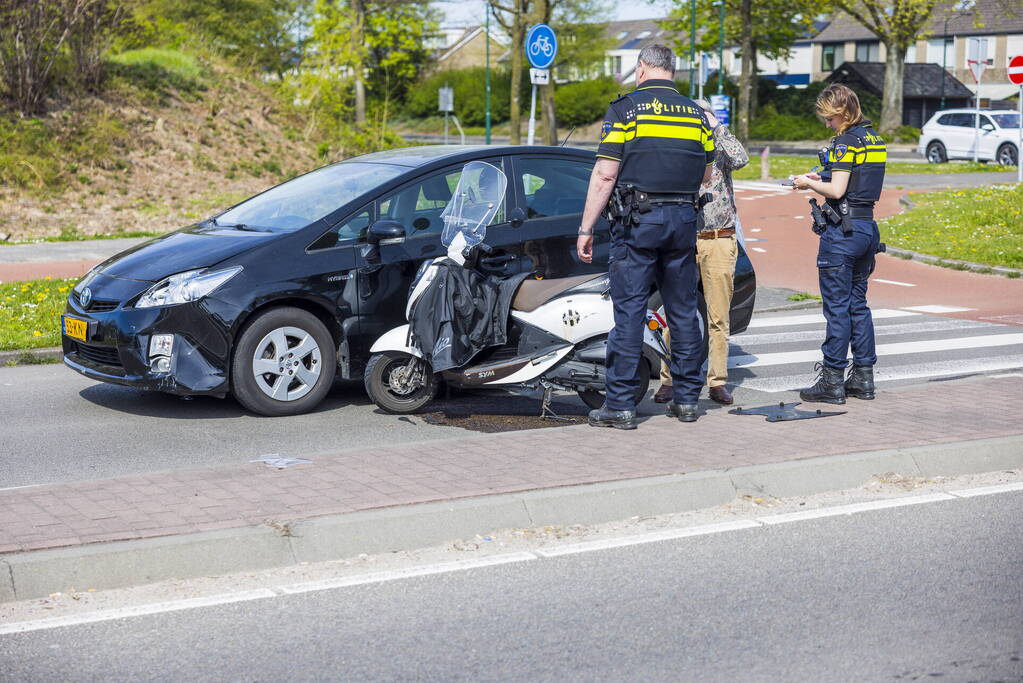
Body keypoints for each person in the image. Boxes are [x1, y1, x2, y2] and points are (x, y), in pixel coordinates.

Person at [577, 44, 715, 429]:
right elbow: (706, 175)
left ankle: (619, 405)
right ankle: (688, 400)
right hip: (684, 220)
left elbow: (606, 174)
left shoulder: (625, 110)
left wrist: (586, 227)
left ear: (642, 69)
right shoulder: (698, 116)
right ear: (672, 71)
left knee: (630, 312)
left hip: (638, 222)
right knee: (684, 311)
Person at [791, 84, 885, 404]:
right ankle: (863, 377)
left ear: (841, 113)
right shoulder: (874, 139)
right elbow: (857, 181)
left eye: (829, 118)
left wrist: (807, 183)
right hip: (867, 228)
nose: (827, 124)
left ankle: (831, 380)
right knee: (858, 305)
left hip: (842, 234)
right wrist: (821, 177)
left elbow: (839, 189)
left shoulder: (845, 142)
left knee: (837, 309)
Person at [653, 98, 748, 406]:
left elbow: (742, 158)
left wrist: (716, 125)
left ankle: (717, 381)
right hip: (683, 237)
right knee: (674, 313)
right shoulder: (681, 149)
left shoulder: (719, 147)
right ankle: (669, 378)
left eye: (702, 116)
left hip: (719, 237)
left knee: (718, 316)